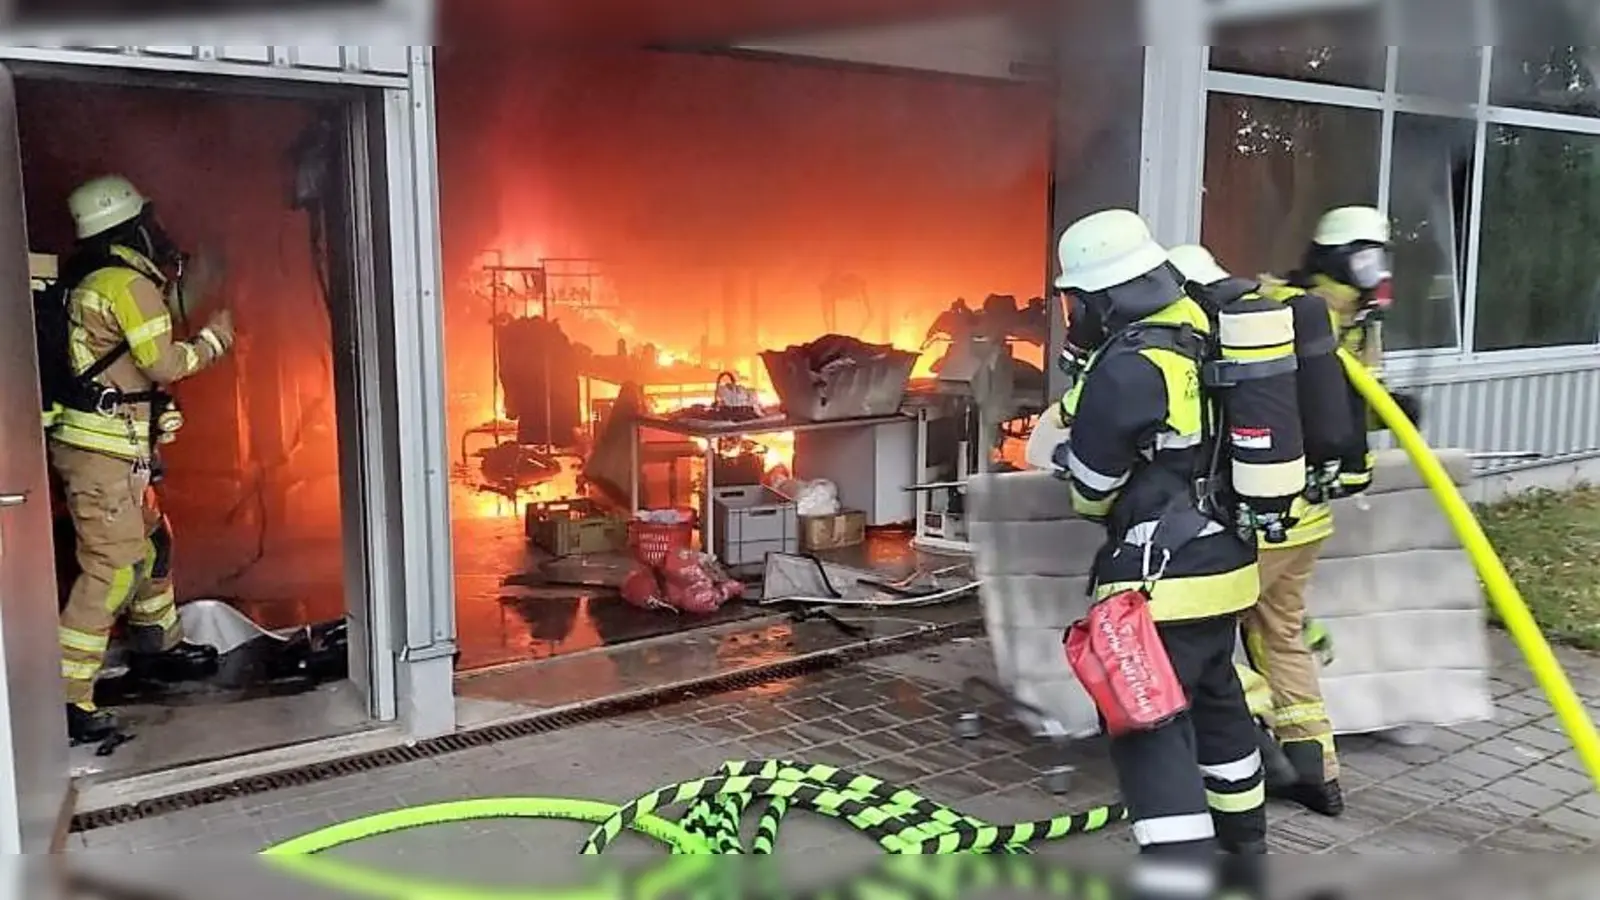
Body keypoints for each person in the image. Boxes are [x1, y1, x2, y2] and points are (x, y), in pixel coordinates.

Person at [1051, 209, 1267, 857]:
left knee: (1148, 726)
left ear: (1102, 298)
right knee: (1217, 700)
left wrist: (1068, 459)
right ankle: (1244, 844)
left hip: (1162, 584)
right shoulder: (1203, 328)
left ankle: (1180, 869)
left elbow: (1092, 491)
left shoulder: (1129, 366)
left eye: (1076, 302)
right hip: (1228, 566)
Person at [1168, 243, 1356, 817]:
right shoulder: (1275, 323)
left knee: (1206, 634)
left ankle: (1255, 742)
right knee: (1282, 633)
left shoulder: (1214, 337)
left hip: (1259, 521)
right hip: (1310, 515)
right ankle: (1316, 770)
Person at [50, 175, 235, 744]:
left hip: (113, 449)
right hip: (100, 456)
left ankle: (159, 647)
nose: (158, 230)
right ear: (131, 226)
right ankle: (65, 699)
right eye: (147, 221)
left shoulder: (98, 279)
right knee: (112, 568)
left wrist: (153, 417)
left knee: (153, 541)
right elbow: (162, 363)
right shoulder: (125, 284)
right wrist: (216, 340)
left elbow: (127, 367)